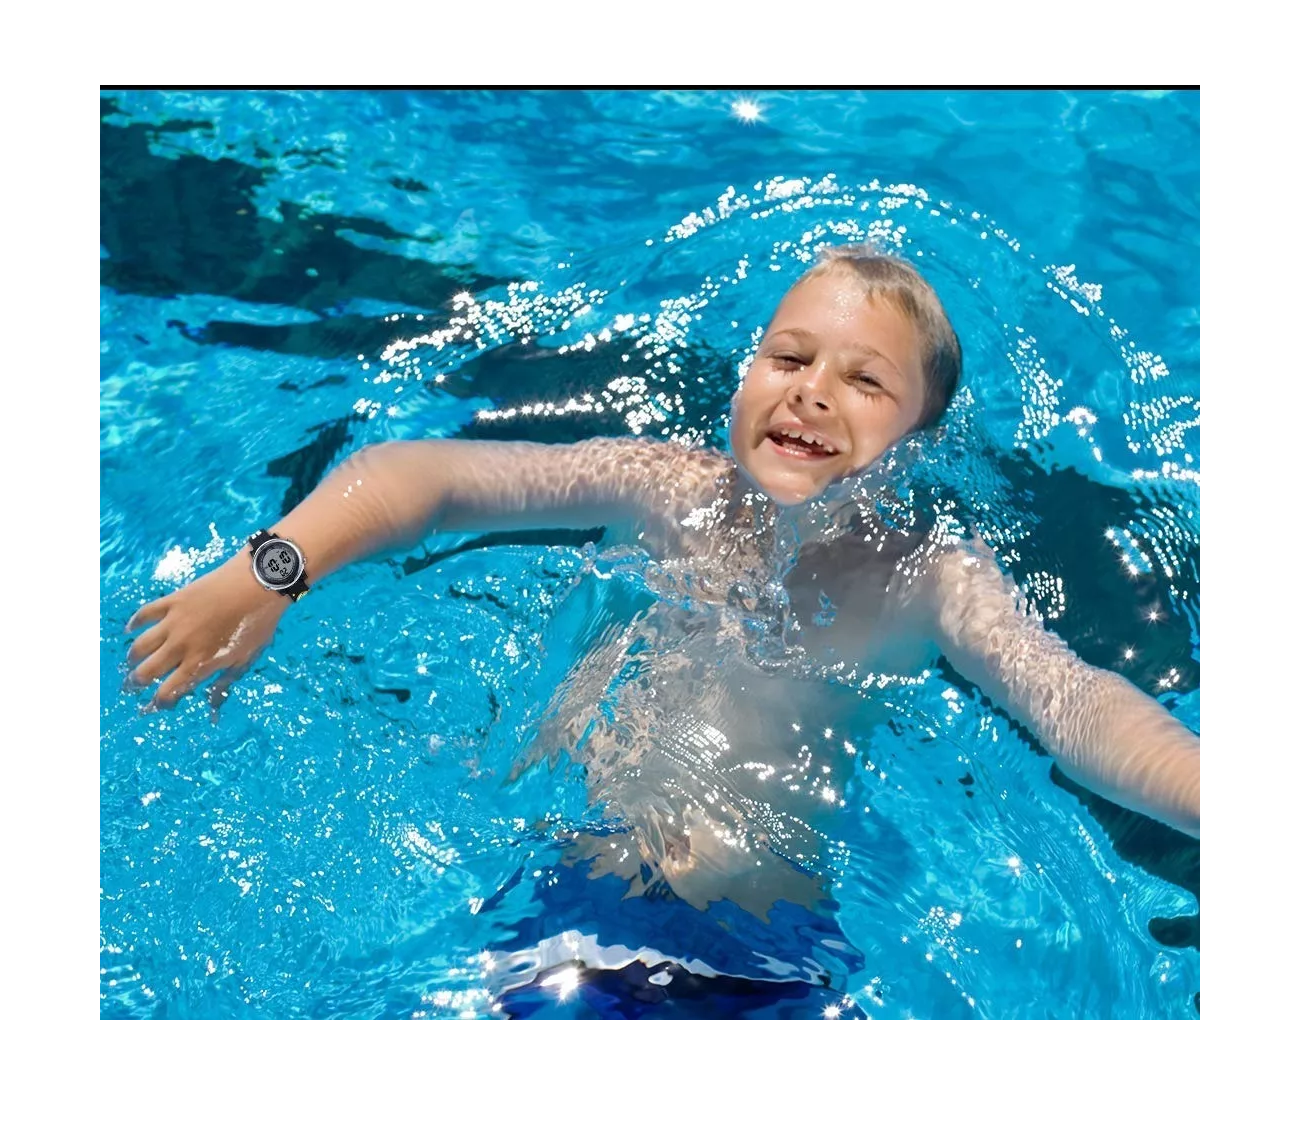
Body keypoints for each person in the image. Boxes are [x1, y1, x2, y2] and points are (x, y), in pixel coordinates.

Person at [123, 244, 1201, 926]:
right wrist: (273, 568)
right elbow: (431, 478)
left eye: (864, 380)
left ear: (918, 440)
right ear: (744, 378)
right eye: (787, 360)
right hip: (554, 882)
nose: (814, 393)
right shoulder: (662, 488)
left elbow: (1070, 702)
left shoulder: (929, 580)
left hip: (753, 948)